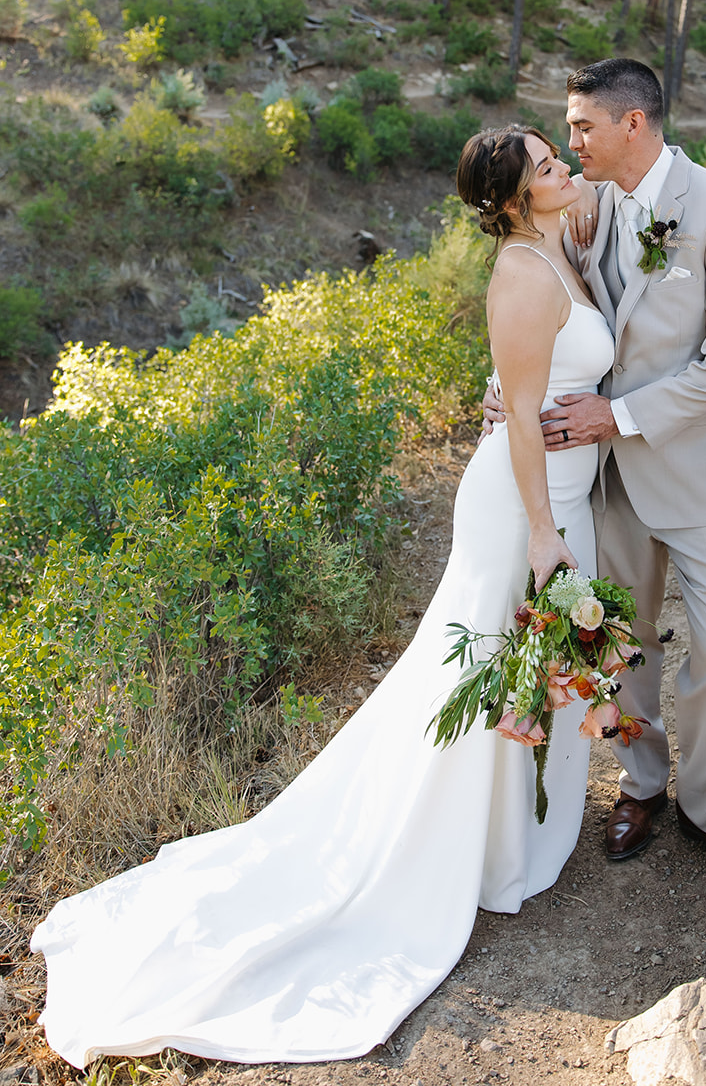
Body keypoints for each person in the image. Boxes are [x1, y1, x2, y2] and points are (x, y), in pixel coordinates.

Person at [31, 126, 614, 1070]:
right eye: (546, 167)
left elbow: (523, 386)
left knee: (517, 668)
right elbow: (514, 418)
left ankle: (511, 840)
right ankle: (439, 852)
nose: (564, 170)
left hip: (558, 496)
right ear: (509, 201)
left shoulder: (556, 245)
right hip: (522, 511)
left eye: (559, 156)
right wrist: (545, 534)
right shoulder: (521, 273)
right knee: (471, 670)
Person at [485, 59, 706, 875]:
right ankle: (641, 785)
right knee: (626, 644)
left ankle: (705, 804)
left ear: (631, 126)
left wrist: (615, 414)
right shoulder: (588, 207)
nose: (570, 143)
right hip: (609, 483)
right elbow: (550, 319)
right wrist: (506, 396)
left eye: (580, 127)